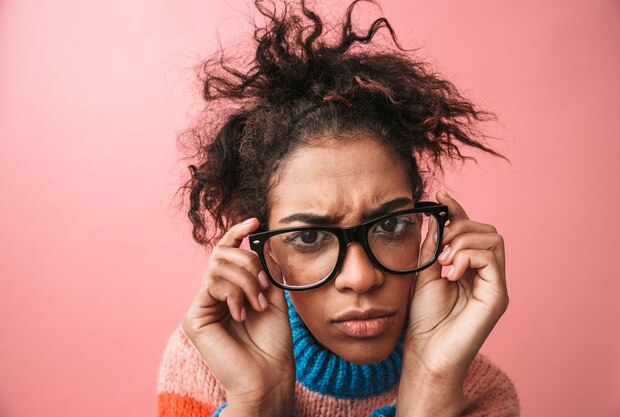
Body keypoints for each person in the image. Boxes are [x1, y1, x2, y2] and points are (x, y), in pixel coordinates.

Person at [157, 1, 520, 416]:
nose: (361, 278)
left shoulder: (479, 392)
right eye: (309, 236)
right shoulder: (207, 361)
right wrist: (257, 402)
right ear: (264, 252)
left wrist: (432, 386)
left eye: (392, 225)